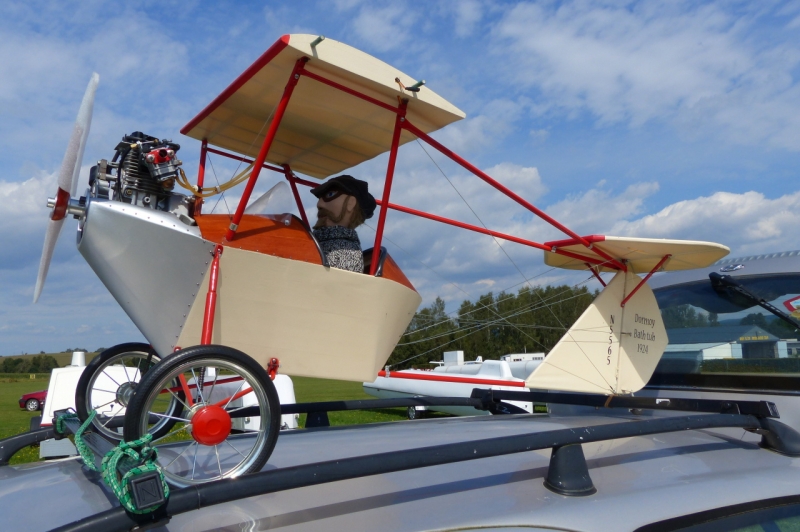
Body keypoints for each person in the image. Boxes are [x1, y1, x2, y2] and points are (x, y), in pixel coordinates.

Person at [310, 175, 376, 273]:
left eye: (330, 194)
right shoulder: (313, 241)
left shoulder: (345, 253)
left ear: (350, 203)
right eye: (319, 198)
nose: (319, 204)